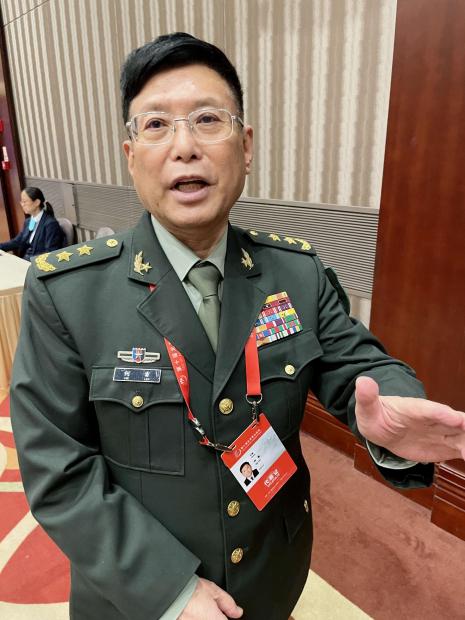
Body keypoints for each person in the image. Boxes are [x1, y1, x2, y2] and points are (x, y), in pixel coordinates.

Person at [10, 33, 465, 620]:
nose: (185, 147)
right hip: (139, 600)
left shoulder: (296, 272)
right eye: (156, 125)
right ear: (130, 156)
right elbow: (59, 470)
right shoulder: (67, 293)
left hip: (271, 579)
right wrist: (171, 591)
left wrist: (393, 412)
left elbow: (360, 364)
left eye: (207, 119)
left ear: (245, 147)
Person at [0, 187, 65, 260]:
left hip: (38, 262)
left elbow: (50, 252)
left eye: (25, 202)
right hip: (26, 259)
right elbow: (17, 241)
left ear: (37, 202)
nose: (22, 205)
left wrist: (29, 260)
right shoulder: (28, 221)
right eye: (21, 202)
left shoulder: (50, 224)